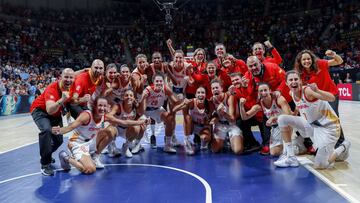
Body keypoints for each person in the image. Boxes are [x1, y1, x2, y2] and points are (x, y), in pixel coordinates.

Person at [274, 70, 351, 168]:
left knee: (321, 165)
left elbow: (332, 98)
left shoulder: (307, 91)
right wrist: (294, 114)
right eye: (291, 80)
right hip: (312, 126)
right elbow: (301, 106)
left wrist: (318, 90)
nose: (293, 82)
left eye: (296, 79)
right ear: (286, 83)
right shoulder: (291, 93)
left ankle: (343, 146)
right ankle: (290, 157)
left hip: (329, 128)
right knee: (282, 119)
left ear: (300, 81)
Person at [54, 96, 148, 174]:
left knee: (112, 130)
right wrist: (59, 131)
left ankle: (95, 156)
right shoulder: (87, 115)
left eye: (104, 106)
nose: (102, 108)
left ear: (107, 107)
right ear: (94, 106)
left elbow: (124, 122)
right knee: (89, 170)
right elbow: (71, 127)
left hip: (91, 142)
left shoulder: (105, 116)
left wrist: (141, 122)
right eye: (99, 105)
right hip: (77, 143)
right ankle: (65, 157)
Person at [294, 49, 345, 148]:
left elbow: (339, 61)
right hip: (317, 99)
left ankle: (340, 143)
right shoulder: (300, 73)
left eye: (308, 59)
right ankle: (325, 143)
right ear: (300, 62)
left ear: (312, 59)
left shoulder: (320, 64)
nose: (306, 61)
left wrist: (334, 54)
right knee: (320, 121)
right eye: (304, 60)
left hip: (331, 95)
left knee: (334, 118)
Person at [30, 68, 75, 176]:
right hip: (41, 111)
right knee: (46, 130)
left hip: (55, 115)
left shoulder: (71, 86)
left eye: (71, 77)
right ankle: (45, 164)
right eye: (66, 77)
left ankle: (47, 154)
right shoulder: (52, 88)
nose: (68, 79)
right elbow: (49, 109)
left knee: (59, 140)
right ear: (60, 77)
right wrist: (61, 100)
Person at [239, 83, 292, 156]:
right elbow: (244, 117)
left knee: (284, 148)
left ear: (270, 91)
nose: (263, 93)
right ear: (258, 93)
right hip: (275, 127)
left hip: (287, 124)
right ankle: (289, 146)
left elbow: (288, 115)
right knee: (274, 153)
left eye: (265, 90)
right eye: (261, 91)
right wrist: (241, 106)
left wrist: (274, 118)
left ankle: (291, 147)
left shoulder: (278, 99)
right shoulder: (259, 105)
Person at [139, 72, 179, 153]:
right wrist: (143, 99)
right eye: (157, 81)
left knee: (169, 118)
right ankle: (136, 144)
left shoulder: (166, 89)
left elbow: (175, 102)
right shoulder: (147, 90)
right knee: (140, 123)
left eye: (161, 81)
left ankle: (167, 145)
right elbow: (141, 110)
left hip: (156, 109)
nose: (159, 83)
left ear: (163, 82)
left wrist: (181, 100)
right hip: (145, 110)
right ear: (153, 82)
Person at [173, 86, 214, 155]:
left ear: (206, 95)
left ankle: (203, 141)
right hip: (192, 126)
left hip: (203, 127)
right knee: (187, 117)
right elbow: (174, 110)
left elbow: (213, 117)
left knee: (205, 138)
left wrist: (211, 134)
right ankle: (187, 141)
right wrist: (183, 103)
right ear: (195, 95)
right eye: (198, 93)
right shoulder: (191, 102)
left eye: (203, 93)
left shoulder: (210, 104)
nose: (200, 94)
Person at [106, 90, 148, 158]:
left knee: (138, 127)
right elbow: (108, 116)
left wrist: (143, 99)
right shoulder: (118, 106)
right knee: (108, 126)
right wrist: (119, 121)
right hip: (116, 128)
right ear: (123, 97)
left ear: (134, 98)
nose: (129, 97)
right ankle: (111, 145)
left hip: (127, 130)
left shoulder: (135, 107)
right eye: (126, 95)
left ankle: (126, 147)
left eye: (131, 95)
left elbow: (142, 113)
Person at [210, 79, 243, 154]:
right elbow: (212, 116)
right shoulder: (211, 100)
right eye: (213, 88)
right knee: (215, 150)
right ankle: (224, 139)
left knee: (238, 151)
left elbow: (232, 119)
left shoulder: (229, 97)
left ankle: (231, 138)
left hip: (231, 124)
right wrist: (214, 119)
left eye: (217, 87)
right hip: (220, 125)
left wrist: (222, 113)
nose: (215, 89)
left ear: (221, 88)